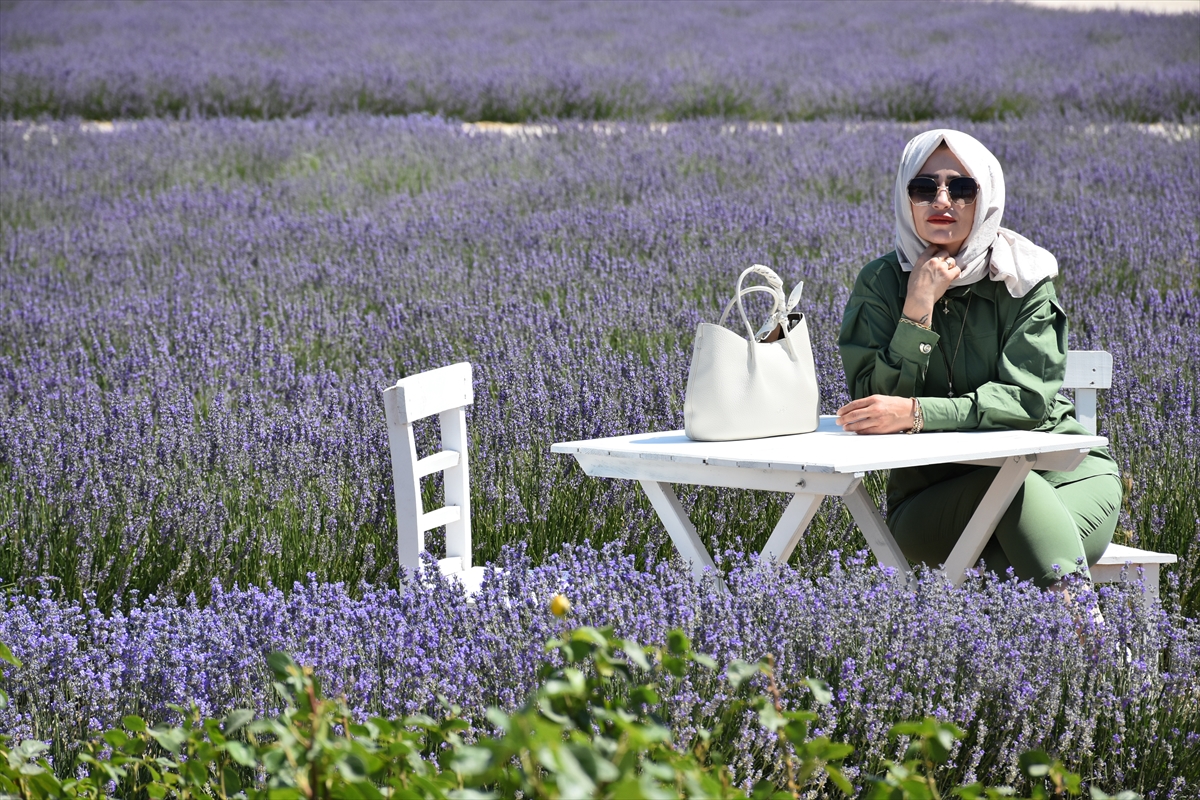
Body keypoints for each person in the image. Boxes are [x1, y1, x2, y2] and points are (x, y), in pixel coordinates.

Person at [835, 129, 1122, 595]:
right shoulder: (881, 283)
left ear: (983, 196)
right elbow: (872, 399)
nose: (941, 199)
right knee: (1013, 504)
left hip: (1068, 476)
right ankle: (1096, 653)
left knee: (1015, 512)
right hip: (933, 497)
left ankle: (1078, 654)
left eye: (961, 188)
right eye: (924, 187)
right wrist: (917, 308)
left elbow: (1027, 400)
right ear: (906, 198)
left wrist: (919, 414)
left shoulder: (1022, 276)